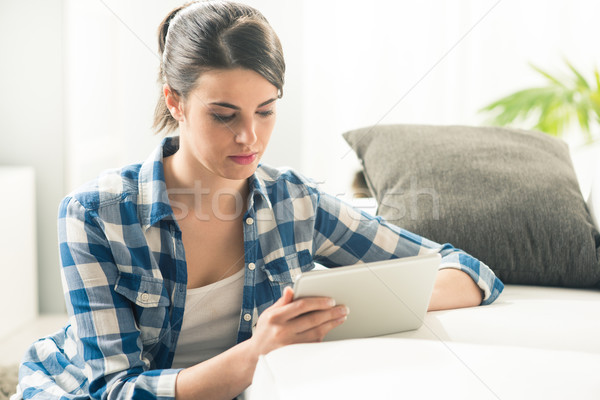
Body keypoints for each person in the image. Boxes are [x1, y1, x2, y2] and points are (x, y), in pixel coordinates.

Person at [13, 1, 504, 399]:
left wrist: (339, 305)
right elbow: (112, 391)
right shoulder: (95, 215)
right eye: (224, 115)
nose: (250, 136)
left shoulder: (295, 202)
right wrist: (258, 352)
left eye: (265, 111)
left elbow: (469, 273)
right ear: (174, 101)